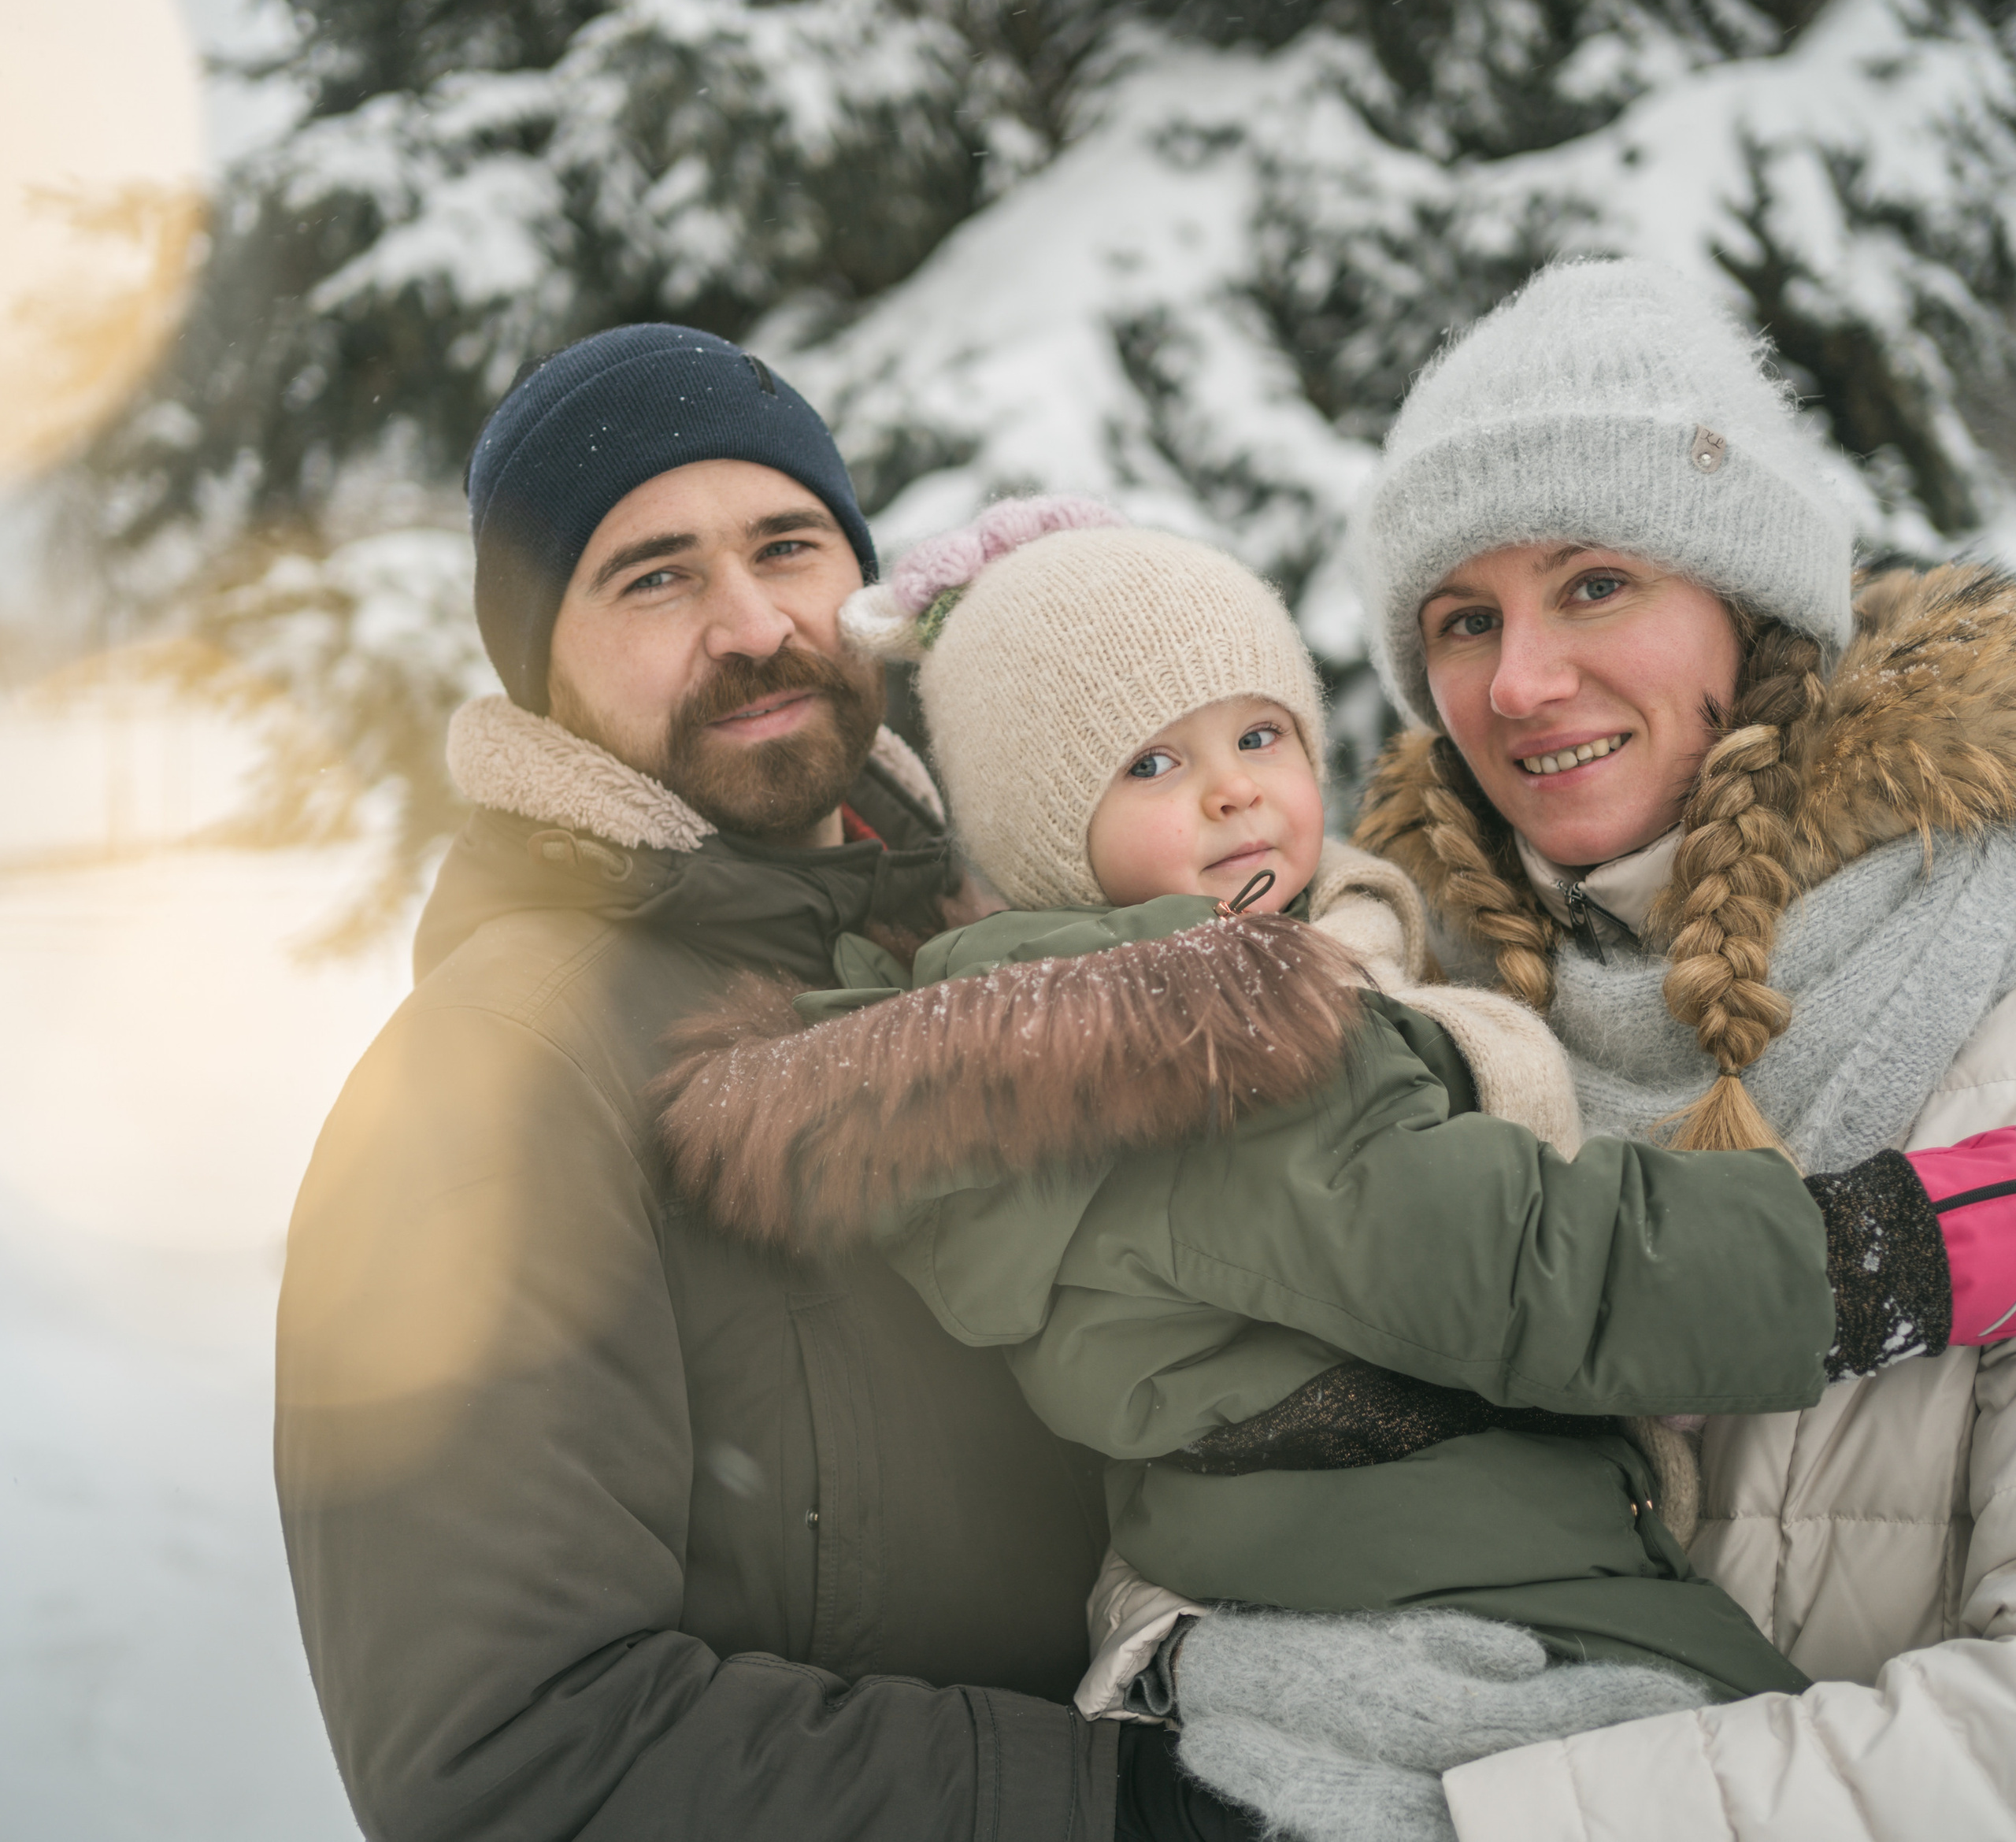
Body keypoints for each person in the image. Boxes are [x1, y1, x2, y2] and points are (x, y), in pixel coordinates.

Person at [653, 501, 2016, 1838]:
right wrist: (1909, 1242)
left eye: (1259, 733)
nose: (1235, 786)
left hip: (1332, 1588)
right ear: (1037, 839)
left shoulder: (1073, 1027)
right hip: (1465, 1605)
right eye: (1149, 765)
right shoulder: (1207, 1051)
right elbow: (1524, 1265)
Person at [274, 325, 1260, 1841]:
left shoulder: (1001, 945)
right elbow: (511, 1758)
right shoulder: (498, 1074)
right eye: (652, 576)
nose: (749, 625)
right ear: (539, 670)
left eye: (788, 547)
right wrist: (1129, 1808)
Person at [1351, 257, 2016, 1837]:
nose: (1516, 683)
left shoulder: (1991, 1016)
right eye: (1462, 617)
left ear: (1750, 610)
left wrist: (1472, 1818)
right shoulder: (1388, 1016)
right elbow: (1171, 1527)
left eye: (1593, 583)